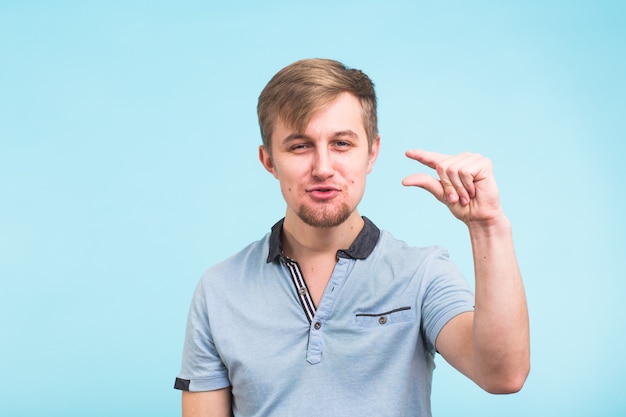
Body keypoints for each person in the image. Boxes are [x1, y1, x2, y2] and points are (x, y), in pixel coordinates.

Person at [174, 58, 530, 417]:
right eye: (300, 146)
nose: (323, 168)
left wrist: (488, 227)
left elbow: (503, 376)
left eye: (341, 143)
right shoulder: (219, 289)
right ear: (269, 161)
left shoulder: (423, 273)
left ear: (371, 153)